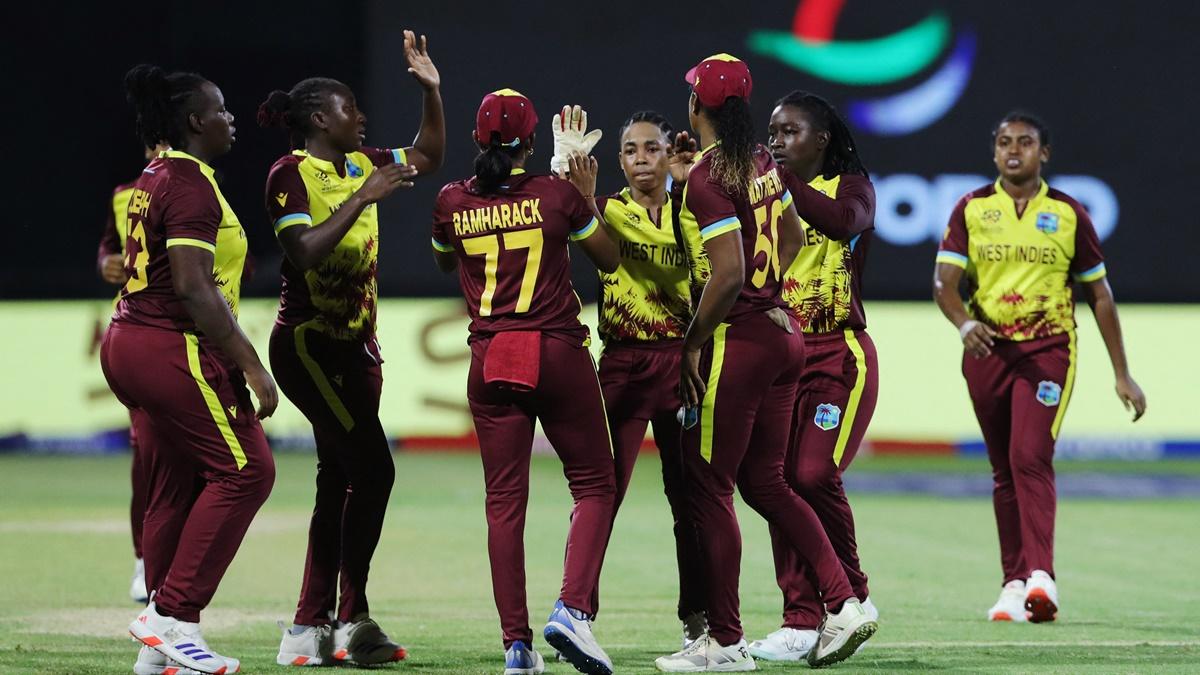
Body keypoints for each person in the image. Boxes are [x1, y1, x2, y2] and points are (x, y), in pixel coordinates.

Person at [653, 54, 875, 673]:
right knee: (767, 482)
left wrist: (693, 341)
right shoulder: (758, 165)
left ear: (698, 106)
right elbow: (798, 240)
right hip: (783, 337)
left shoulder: (711, 173)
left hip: (739, 341)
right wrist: (773, 294)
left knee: (707, 488)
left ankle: (724, 643)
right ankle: (846, 604)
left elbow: (724, 273)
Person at [257, 30, 444, 667]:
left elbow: (429, 155)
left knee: (339, 481)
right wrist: (364, 198)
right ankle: (347, 616)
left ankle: (314, 627)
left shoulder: (362, 160)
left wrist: (432, 93)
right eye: (349, 109)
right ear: (318, 119)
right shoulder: (290, 173)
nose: (360, 117)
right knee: (376, 469)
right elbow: (303, 251)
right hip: (309, 347)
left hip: (359, 351)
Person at [430, 89, 620, 675]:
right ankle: (572, 610)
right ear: (534, 143)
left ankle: (517, 646)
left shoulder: (450, 199)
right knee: (595, 485)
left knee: (503, 506)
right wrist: (580, 192)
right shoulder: (557, 194)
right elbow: (609, 259)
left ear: (475, 140)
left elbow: (445, 259)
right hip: (555, 350)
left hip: (491, 358)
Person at [934, 111, 1147, 624]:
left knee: (1030, 455)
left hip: (1048, 351)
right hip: (986, 353)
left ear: (1043, 153)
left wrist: (1122, 372)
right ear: (994, 152)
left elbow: (1099, 294)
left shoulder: (1070, 214)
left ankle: (1041, 579)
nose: (1014, 150)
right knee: (1003, 470)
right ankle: (1012, 584)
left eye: (1025, 142)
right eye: (1004, 142)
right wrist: (964, 326)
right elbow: (944, 285)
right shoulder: (972, 208)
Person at [103, 64, 278, 675]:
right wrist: (252, 365)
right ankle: (167, 614)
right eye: (221, 108)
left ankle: (163, 653)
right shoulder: (190, 184)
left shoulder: (156, 176)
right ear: (195, 122)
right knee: (247, 471)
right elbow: (194, 288)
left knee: (173, 486)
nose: (231, 118)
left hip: (128, 340)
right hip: (167, 345)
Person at [747, 91, 879, 661]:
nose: (776, 141)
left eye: (790, 132)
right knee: (778, 483)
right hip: (782, 359)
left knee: (811, 472)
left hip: (839, 357)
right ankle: (801, 621)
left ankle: (854, 598)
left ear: (822, 140)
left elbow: (840, 222)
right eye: (772, 133)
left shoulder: (851, 190)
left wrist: (776, 182)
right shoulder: (763, 198)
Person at [581, 109, 706, 646]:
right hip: (623, 366)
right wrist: (573, 183)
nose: (640, 160)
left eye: (651, 148)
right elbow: (562, 224)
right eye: (630, 151)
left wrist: (689, 185)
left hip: (684, 365)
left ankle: (698, 621)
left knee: (692, 501)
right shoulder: (603, 211)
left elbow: (714, 277)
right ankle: (577, 614)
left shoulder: (696, 210)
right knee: (602, 494)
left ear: (668, 153)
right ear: (619, 161)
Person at [97, 140, 169, 606]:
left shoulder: (202, 188)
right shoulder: (126, 194)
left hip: (197, 334)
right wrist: (103, 261)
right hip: (144, 335)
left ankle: (172, 564)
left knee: (194, 465)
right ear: (147, 145)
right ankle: (146, 563)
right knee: (147, 457)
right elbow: (109, 245)